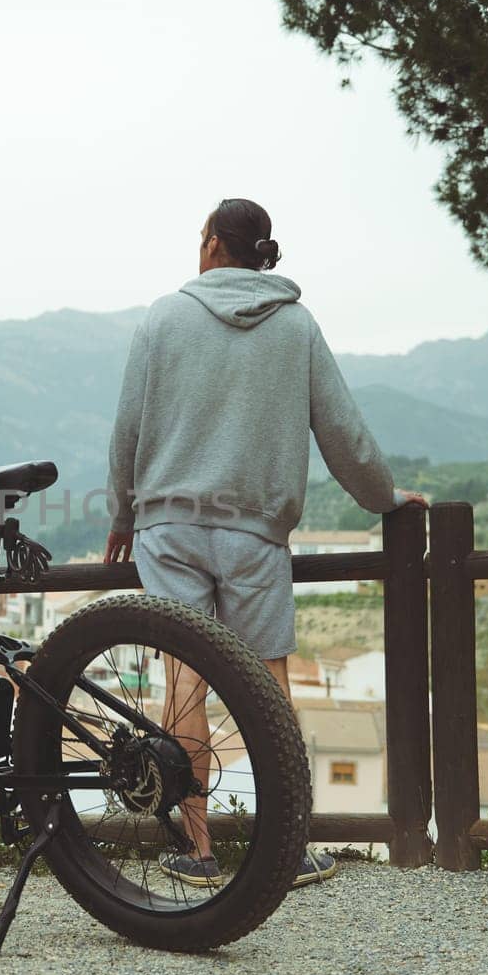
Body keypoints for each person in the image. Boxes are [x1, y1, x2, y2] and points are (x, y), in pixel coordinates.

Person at [104, 197, 426, 889]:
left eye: (201, 239)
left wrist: (123, 514)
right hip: (255, 532)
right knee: (271, 687)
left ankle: (199, 850)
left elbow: (128, 429)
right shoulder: (296, 325)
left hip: (171, 525)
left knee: (184, 679)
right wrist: (385, 500)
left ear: (217, 246)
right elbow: (344, 431)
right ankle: (290, 847)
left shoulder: (164, 317)